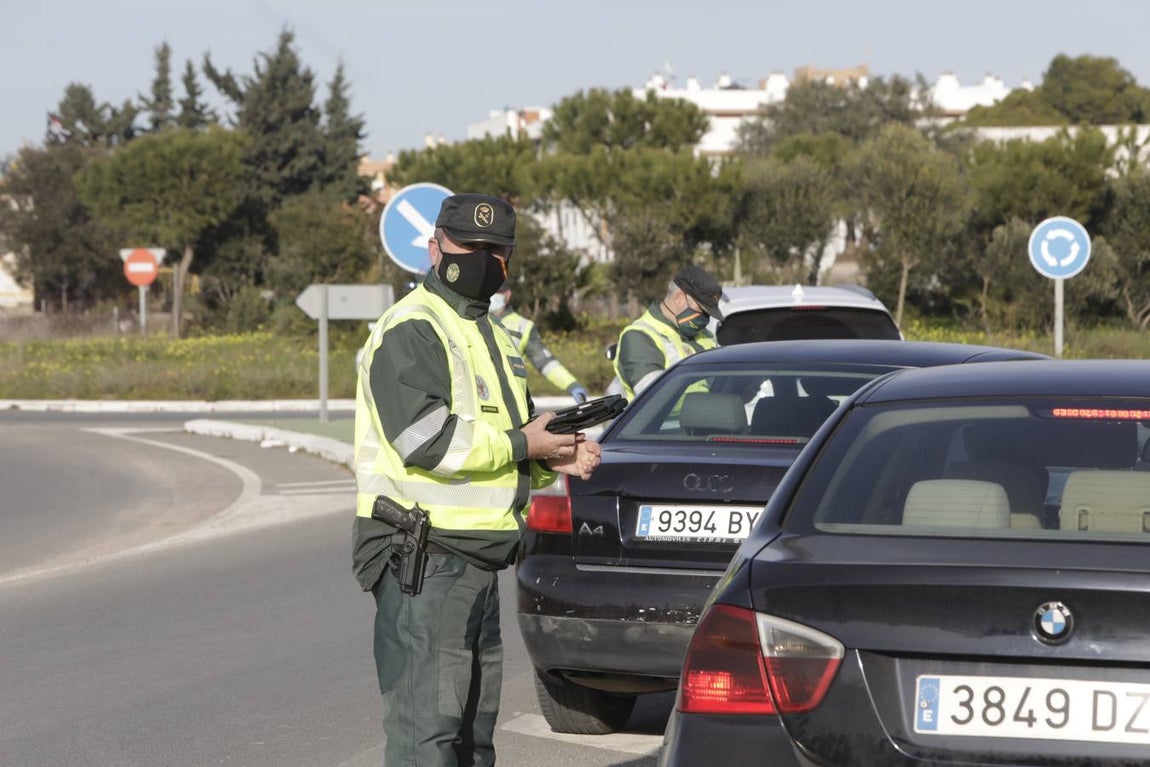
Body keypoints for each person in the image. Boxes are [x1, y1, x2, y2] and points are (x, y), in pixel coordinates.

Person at [352, 193, 602, 766]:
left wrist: (551, 456)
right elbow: (424, 439)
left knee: (471, 739)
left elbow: (503, 439)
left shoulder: (493, 334)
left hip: (477, 564)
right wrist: (526, 444)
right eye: (470, 246)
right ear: (434, 247)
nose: (482, 259)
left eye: (496, 250)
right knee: (429, 738)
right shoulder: (414, 328)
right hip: (427, 558)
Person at [612, 264, 724, 400]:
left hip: (705, 421)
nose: (705, 319)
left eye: (708, 314)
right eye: (702, 310)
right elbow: (656, 398)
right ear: (679, 298)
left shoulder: (706, 336)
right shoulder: (639, 337)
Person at [490, 281, 589, 404]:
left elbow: (546, 363)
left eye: (497, 292)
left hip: (510, 400)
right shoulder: (473, 320)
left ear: (507, 294)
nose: (492, 295)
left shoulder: (523, 326)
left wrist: (572, 385)